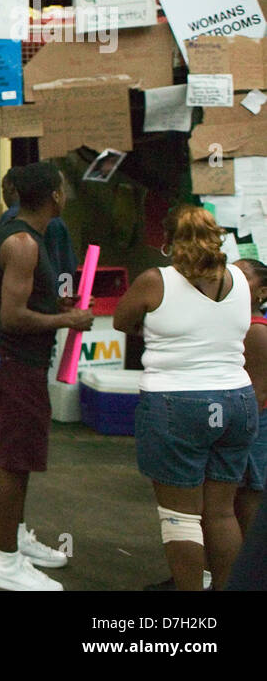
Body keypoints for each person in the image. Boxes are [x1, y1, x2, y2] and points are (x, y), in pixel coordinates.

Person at [112, 205, 258, 591]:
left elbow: (122, 321)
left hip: (177, 404)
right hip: (236, 403)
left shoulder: (154, 281)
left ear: (168, 242)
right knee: (222, 514)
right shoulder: (242, 279)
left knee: (180, 517)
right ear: (218, 237)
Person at [0, 162, 91, 590]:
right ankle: (5, 561)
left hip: (20, 361)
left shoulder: (32, 237)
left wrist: (56, 309)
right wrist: (70, 322)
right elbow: (11, 317)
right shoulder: (24, 243)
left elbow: (26, 305)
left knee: (21, 460)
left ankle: (17, 539)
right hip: (13, 361)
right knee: (13, 461)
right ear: (55, 196)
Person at [234, 259, 267, 538]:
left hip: (254, 425)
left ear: (263, 292)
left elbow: (257, 392)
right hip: (246, 423)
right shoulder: (238, 326)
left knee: (249, 495)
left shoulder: (256, 330)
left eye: (243, 276)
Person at [0, 170, 76, 285]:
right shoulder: (57, 221)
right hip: (51, 297)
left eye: (3, 190)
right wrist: (66, 295)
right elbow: (66, 268)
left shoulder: (8, 219)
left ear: (11, 188)